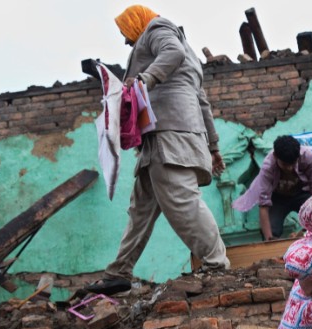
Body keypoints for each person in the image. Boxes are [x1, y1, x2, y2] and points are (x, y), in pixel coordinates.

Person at [84, 5, 229, 296]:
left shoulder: (157, 29)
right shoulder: (190, 57)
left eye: (125, 33)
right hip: (165, 136)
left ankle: (217, 265)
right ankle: (119, 272)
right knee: (140, 210)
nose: (126, 41)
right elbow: (202, 103)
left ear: (136, 23)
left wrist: (143, 80)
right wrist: (213, 146)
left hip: (169, 133)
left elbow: (170, 53)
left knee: (182, 201)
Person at [232, 135, 312, 241]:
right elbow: (263, 205)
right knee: (272, 230)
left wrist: (310, 225)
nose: (289, 168)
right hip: (278, 198)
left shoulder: (308, 157)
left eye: (292, 164)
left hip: (302, 194)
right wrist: (269, 240)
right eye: (284, 164)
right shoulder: (268, 167)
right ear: (275, 156)